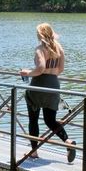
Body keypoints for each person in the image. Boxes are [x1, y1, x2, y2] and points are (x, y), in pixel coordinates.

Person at [19, 23, 76, 162]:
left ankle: (34, 152)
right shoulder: (59, 47)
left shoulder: (40, 49)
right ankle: (68, 141)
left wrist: (27, 72)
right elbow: (60, 69)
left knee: (33, 119)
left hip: (39, 86)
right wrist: (50, 75)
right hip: (54, 85)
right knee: (50, 120)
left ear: (40, 34)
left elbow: (40, 68)